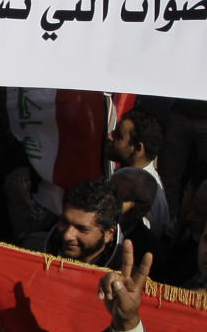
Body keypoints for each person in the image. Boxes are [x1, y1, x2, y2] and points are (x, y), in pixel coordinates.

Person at [106, 108, 170, 236]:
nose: (109, 137)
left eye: (118, 136)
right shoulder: (127, 174)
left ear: (138, 148)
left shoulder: (147, 195)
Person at [44, 179, 123, 268]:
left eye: (82, 229)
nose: (67, 235)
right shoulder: (32, 247)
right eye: (64, 222)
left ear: (109, 234)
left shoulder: (127, 277)